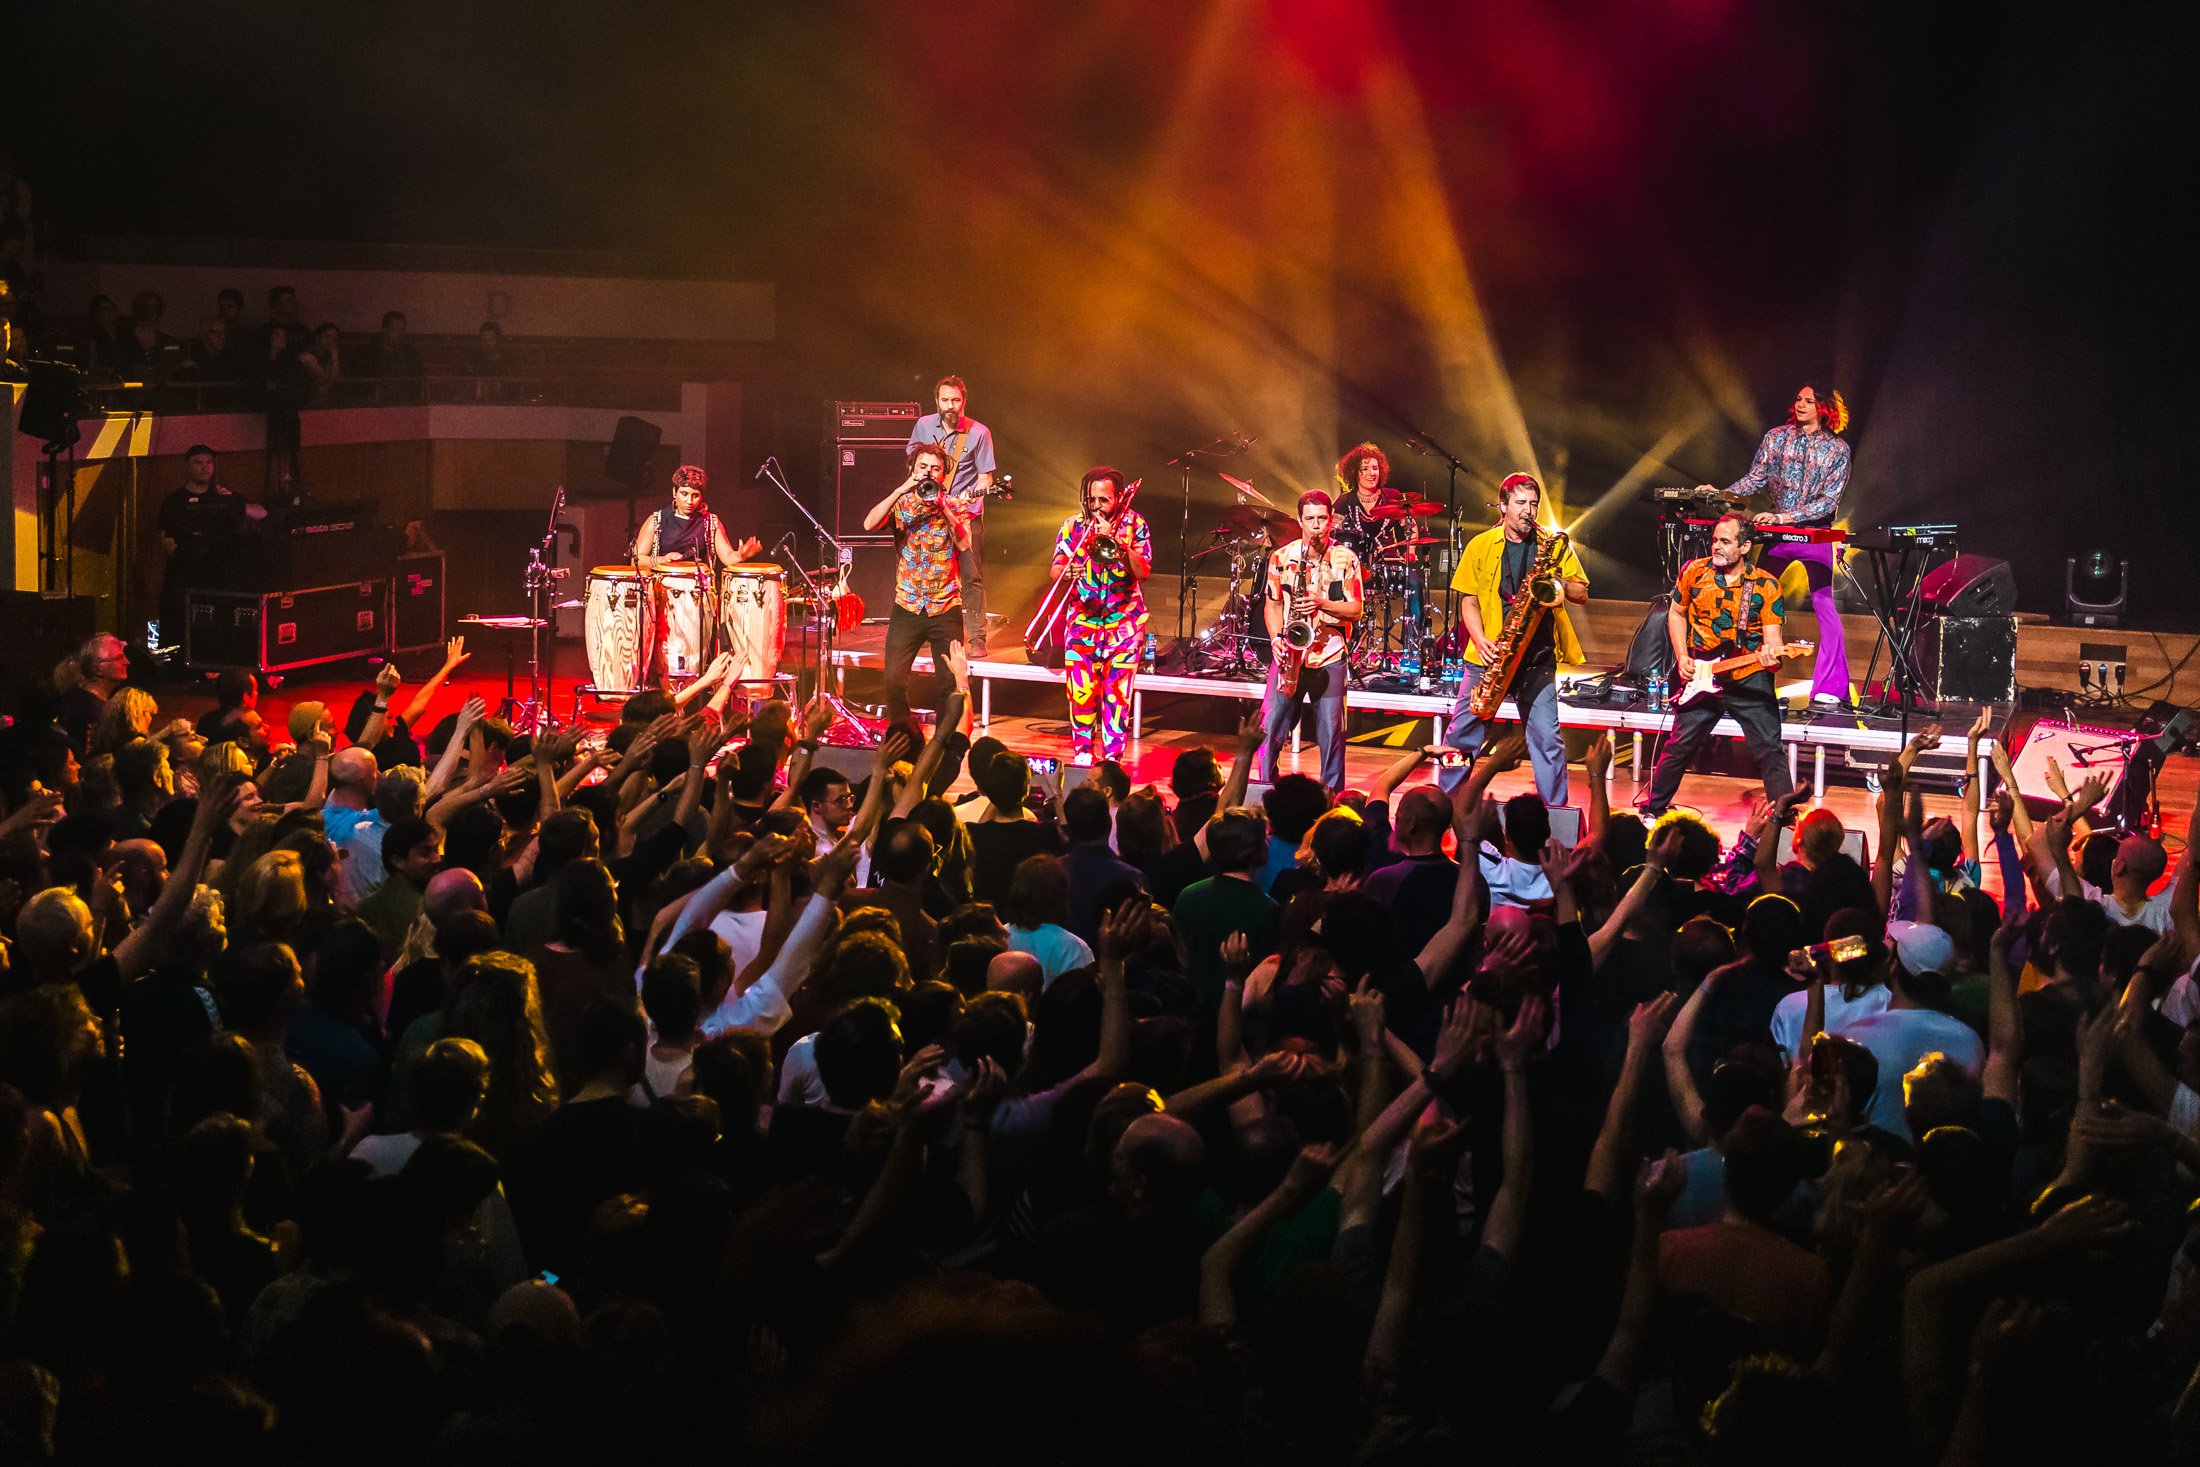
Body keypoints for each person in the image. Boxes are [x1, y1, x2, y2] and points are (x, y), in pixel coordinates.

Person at [1696, 383, 1853, 706]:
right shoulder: (1776, 437)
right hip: (1778, 535)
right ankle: (1741, 675)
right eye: (1798, 398)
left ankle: (1831, 688)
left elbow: (1828, 501)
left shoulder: (1838, 449)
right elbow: (1754, 479)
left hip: (1814, 534)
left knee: (1824, 604)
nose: (1800, 404)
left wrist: (1786, 517)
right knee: (1749, 600)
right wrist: (1721, 494)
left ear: (1825, 409)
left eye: (1809, 401)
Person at [1438, 472, 1588, 810]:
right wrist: (1480, 639)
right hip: (1490, 656)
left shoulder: (1551, 544)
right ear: (1503, 505)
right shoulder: (1480, 545)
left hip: (1537, 659)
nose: (1528, 511)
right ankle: (1445, 806)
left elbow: (1581, 593)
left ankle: (1555, 817)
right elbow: (1469, 602)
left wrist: (1556, 580)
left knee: (1547, 741)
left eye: (1533, 504)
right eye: (1520, 503)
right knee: (1461, 737)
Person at [1638, 512, 1796, 818]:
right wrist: (1683, 656)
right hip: (1701, 673)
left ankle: (1784, 820)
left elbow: (1774, 643)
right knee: (1679, 747)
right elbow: (1676, 613)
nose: (1716, 546)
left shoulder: (1766, 585)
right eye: (1714, 540)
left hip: (1749, 677)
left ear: (1745, 547)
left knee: (1770, 750)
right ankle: (1652, 810)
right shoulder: (1694, 572)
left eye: (1725, 541)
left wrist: (1772, 660)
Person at [1257, 491, 1363, 793]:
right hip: (1289, 657)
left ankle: (1331, 802)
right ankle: (1265, 793)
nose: (1317, 526)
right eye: (1310, 519)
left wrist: (1321, 604)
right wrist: (1277, 639)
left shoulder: (1346, 558)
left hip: (1329, 657)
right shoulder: (1281, 557)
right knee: (1270, 731)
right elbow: (1273, 605)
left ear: (1330, 520)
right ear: (1300, 521)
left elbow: (1356, 609)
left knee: (1332, 737)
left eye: (1322, 519)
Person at [863, 441, 973, 726]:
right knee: (893, 679)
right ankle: (903, 734)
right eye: (923, 466)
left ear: (942, 475)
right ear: (913, 469)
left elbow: (964, 543)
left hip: (945, 606)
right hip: (907, 605)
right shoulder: (901, 503)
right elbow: (869, 524)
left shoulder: (956, 504)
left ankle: (943, 742)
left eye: (935, 469)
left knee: (948, 683)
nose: (928, 472)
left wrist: (944, 508)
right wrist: (900, 489)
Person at [1049, 466, 1153, 766]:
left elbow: (1143, 571)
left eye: (1104, 500)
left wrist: (1118, 543)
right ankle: (1082, 751)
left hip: (1124, 622)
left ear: (1118, 498)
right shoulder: (1073, 526)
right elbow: (1055, 568)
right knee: (1080, 692)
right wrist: (1066, 572)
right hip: (1083, 621)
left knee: (1118, 695)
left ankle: (1112, 757)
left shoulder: (1136, 524)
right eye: (1092, 499)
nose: (1096, 506)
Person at [904, 375, 998, 654]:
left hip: (965, 515)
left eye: (955, 400)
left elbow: (986, 479)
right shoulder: (923, 425)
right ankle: (923, 633)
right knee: (923, 572)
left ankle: (977, 638)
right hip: (928, 514)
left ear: (964, 401)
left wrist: (970, 496)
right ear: (937, 401)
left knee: (971, 576)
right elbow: (912, 466)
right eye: (945, 400)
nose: (950, 405)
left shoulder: (979, 432)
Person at [156, 444, 263, 654]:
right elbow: (165, 538)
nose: (205, 468)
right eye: (198, 462)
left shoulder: (223, 497)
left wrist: (233, 501)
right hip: (187, 572)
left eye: (209, 463)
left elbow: (261, 514)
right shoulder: (175, 501)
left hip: (220, 572)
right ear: (187, 466)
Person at [631, 464, 762, 574]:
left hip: (698, 591)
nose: (689, 501)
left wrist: (741, 555)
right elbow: (636, 560)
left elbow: (727, 558)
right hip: (663, 588)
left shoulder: (711, 522)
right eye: (684, 494)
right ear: (674, 492)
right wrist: (661, 560)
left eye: (695, 495)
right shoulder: (657, 520)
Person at [350, 310, 424, 393]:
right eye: (395, 329)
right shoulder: (366, 354)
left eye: (402, 330)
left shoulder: (410, 354)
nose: (400, 334)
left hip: (403, 399)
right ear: (384, 330)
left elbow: (418, 380)